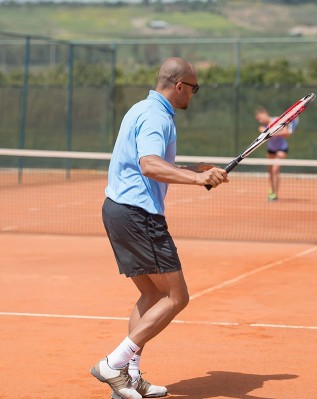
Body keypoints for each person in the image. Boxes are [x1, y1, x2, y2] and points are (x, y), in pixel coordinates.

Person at [90, 57, 229, 399]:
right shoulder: (156, 116)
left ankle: (130, 378)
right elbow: (149, 165)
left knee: (152, 295)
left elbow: (154, 163)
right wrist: (197, 179)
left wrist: (194, 169)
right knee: (176, 296)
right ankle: (115, 363)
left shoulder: (141, 108)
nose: (193, 96)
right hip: (139, 216)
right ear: (179, 85)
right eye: (193, 88)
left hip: (118, 211)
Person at [254, 106, 299, 202]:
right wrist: (277, 132)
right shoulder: (261, 127)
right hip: (271, 150)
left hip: (282, 149)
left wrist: (272, 133)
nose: (260, 120)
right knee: (270, 172)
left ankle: (275, 194)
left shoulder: (277, 120)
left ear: (264, 113)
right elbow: (267, 133)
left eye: (260, 118)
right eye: (258, 120)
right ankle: (272, 189)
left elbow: (286, 133)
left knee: (275, 170)